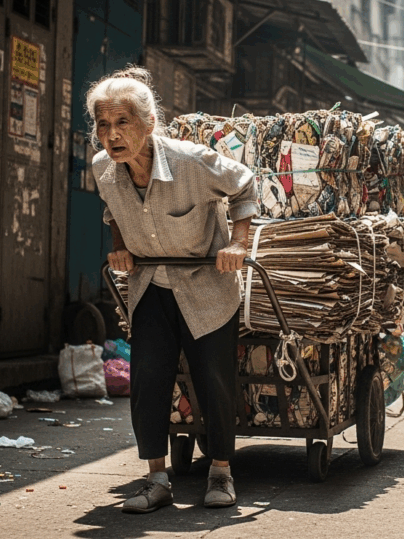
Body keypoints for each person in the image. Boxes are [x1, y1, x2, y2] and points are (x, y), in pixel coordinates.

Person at [87, 66, 257, 513]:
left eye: (123, 122)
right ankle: (156, 480)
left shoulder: (190, 161)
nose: (112, 135)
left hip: (207, 288)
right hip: (149, 288)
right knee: (148, 380)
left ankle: (220, 472)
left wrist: (238, 244)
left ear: (149, 124)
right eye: (103, 124)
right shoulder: (103, 167)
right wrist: (120, 248)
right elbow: (113, 212)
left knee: (214, 380)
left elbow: (243, 184)